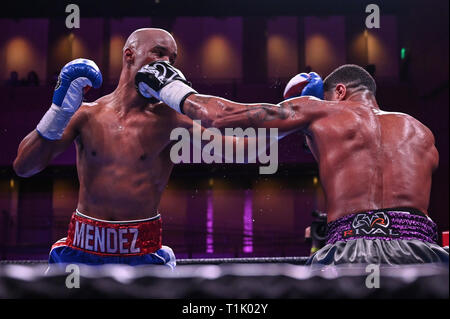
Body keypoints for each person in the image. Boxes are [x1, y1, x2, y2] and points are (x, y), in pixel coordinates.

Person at [135, 62, 449, 265]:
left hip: (351, 255)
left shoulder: (318, 109)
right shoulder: (421, 131)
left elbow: (222, 117)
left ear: (339, 91)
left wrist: (169, 87)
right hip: (424, 256)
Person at [13, 28, 255, 270]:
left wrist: (288, 122)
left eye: (171, 59)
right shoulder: (86, 114)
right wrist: (58, 113)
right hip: (81, 253)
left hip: (143, 255)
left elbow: (240, 150)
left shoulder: (172, 119)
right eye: (158, 54)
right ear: (129, 55)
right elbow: (24, 167)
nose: (166, 64)